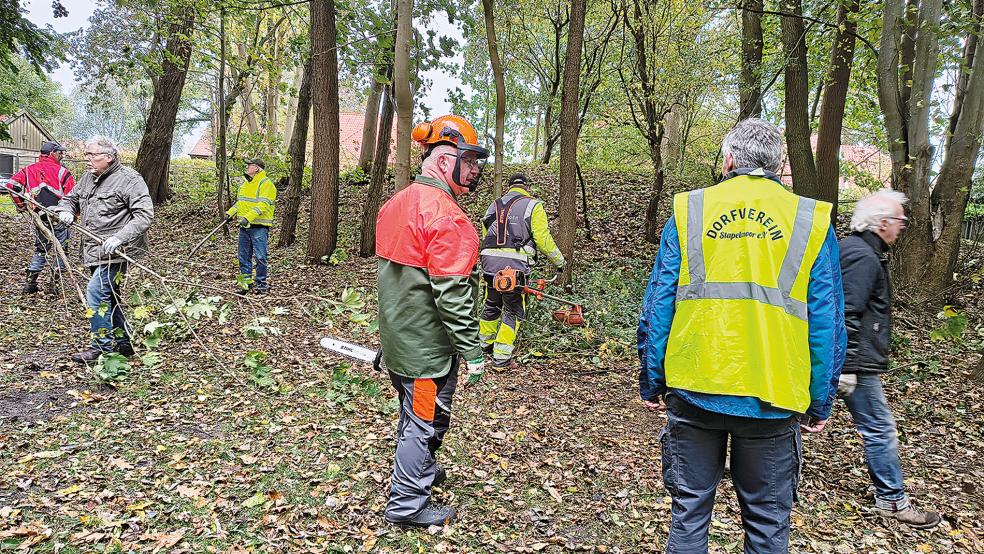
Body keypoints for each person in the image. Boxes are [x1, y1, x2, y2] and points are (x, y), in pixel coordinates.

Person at [637, 118, 846, 553]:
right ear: (778, 163)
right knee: (769, 525)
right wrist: (819, 398)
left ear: (730, 159)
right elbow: (826, 319)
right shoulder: (808, 219)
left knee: (689, 515)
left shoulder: (690, 209)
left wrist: (652, 378)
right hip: (772, 396)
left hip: (694, 386)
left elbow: (660, 302)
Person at [375, 114, 489, 528]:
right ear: (444, 160)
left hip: (399, 340)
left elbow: (393, 283)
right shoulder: (449, 219)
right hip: (427, 351)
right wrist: (474, 352)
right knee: (421, 424)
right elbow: (454, 297)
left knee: (413, 415)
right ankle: (406, 506)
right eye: (470, 160)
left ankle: (420, 471)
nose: (475, 170)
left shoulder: (395, 204)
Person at [838, 190, 941, 529]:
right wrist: (849, 367)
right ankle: (893, 500)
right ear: (882, 223)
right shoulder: (862, 256)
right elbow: (847, 313)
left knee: (795, 416)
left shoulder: (863, 250)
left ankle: (770, 475)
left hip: (852, 358)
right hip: (855, 362)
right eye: (900, 220)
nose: (902, 227)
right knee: (879, 428)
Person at [54, 136, 154, 363]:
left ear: (109, 157)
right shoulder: (88, 178)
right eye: (86, 154)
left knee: (97, 292)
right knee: (111, 296)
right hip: (92, 250)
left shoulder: (130, 179)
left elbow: (144, 215)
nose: (87, 159)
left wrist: (120, 238)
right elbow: (70, 199)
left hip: (118, 252)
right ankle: (125, 342)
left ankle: (100, 345)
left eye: (92, 155)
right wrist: (66, 210)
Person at [479, 173, 565, 369]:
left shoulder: (494, 205)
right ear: (526, 187)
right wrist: (560, 262)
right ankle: (501, 357)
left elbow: (485, 235)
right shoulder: (533, 205)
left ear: (509, 187)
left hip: (489, 264)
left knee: (491, 303)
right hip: (514, 265)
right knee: (512, 308)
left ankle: (484, 346)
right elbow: (543, 239)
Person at [4, 140, 76, 293]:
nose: (62, 155)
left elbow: (11, 185)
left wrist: (21, 205)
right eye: (60, 152)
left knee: (41, 249)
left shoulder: (29, 170)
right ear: (52, 153)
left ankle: (30, 285)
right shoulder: (63, 172)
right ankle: (55, 286)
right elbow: (73, 196)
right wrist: (74, 216)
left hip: (39, 218)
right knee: (61, 250)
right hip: (60, 217)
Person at [226, 158, 276, 294]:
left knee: (260, 257)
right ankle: (245, 285)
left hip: (259, 227)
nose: (247, 167)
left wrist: (248, 217)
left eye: (250, 165)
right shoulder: (246, 184)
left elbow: (263, 205)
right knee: (243, 257)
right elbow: (241, 203)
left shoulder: (267, 184)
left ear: (257, 168)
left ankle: (261, 286)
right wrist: (230, 213)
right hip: (245, 227)